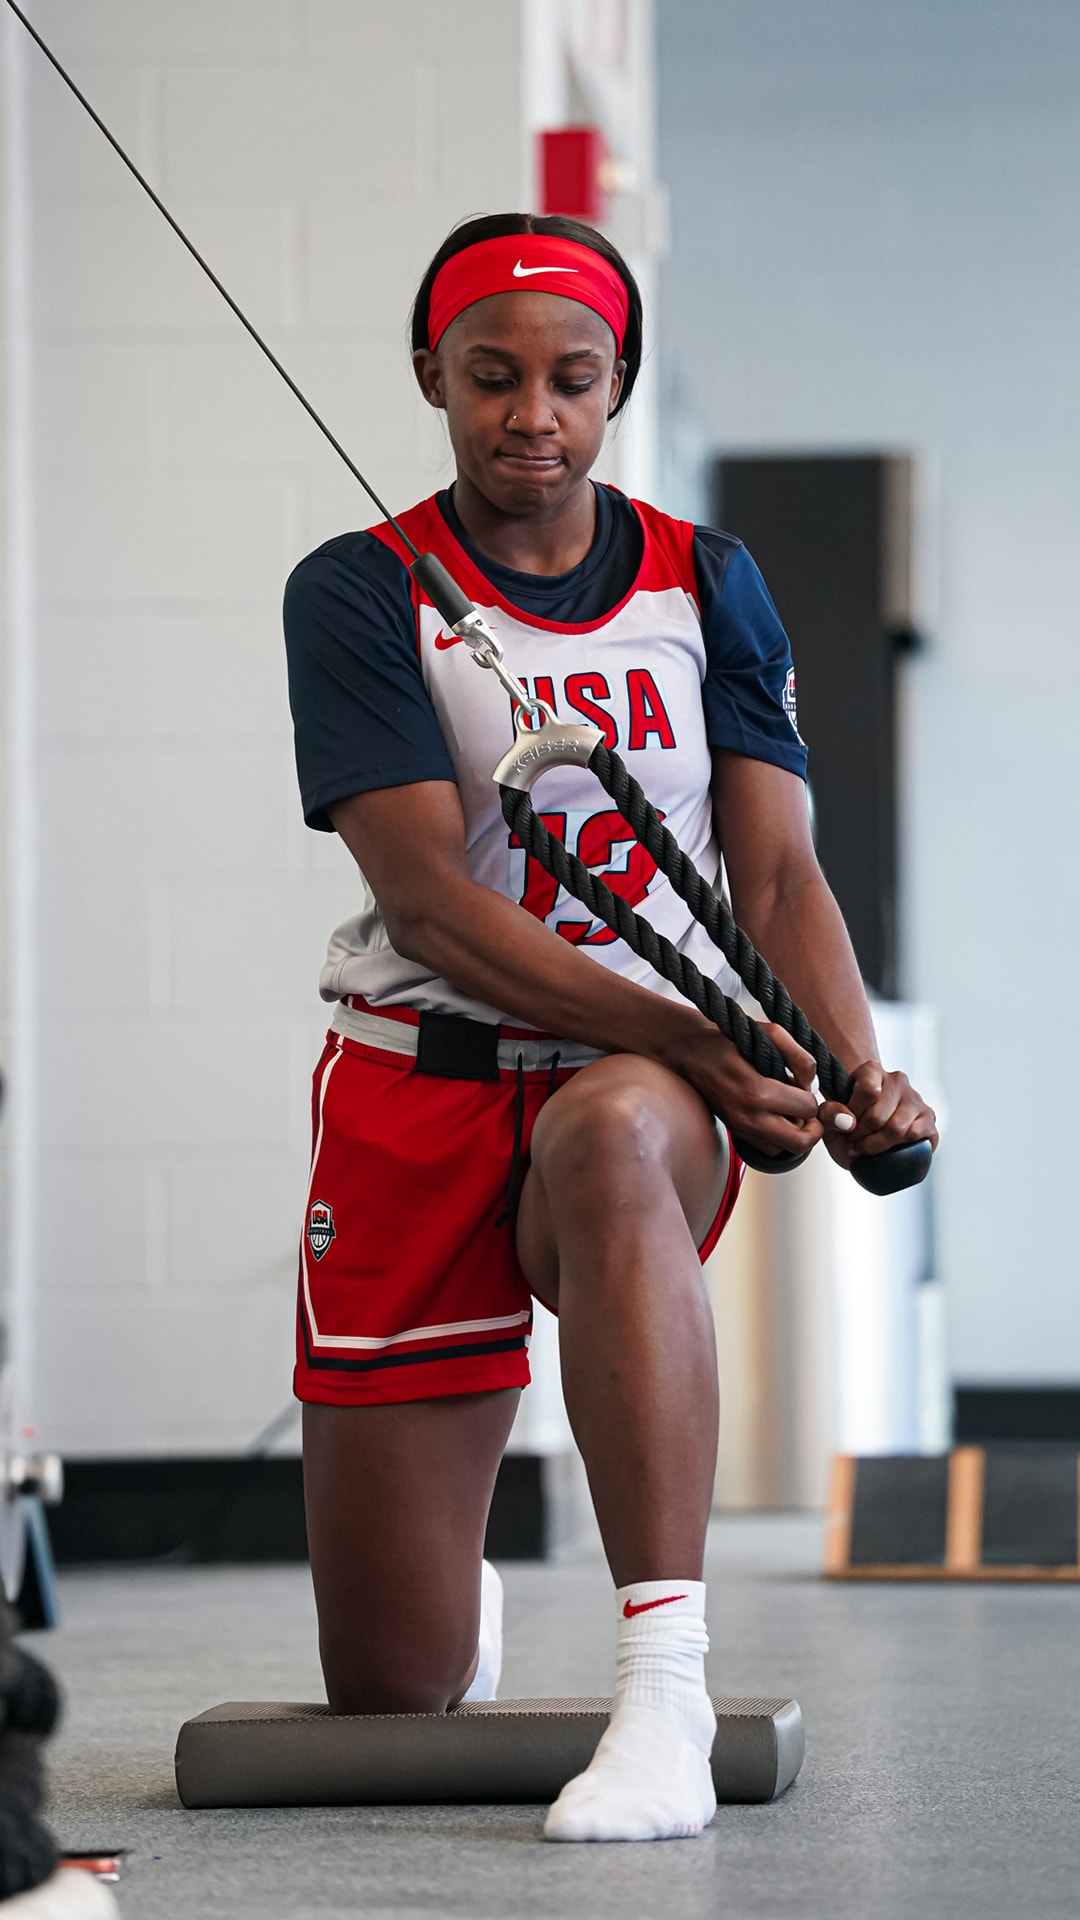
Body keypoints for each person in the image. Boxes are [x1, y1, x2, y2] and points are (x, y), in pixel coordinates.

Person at [282, 211, 938, 1844]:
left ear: (617, 383)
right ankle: (460, 1604)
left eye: (573, 379)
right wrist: (701, 1031)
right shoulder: (359, 595)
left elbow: (778, 872)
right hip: (412, 1086)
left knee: (615, 1133)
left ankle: (664, 1679)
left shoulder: (709, 583)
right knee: (388, 1686)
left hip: (625, 1085)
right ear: (432, 373)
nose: (532, 415)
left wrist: (852, 1072)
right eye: (491, 376)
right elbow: (433, 908)